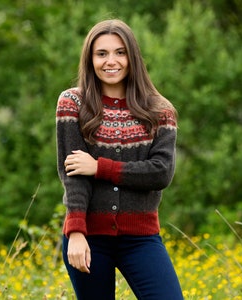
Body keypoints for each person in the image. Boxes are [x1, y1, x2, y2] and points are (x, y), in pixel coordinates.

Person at [56, 19, 183, 300]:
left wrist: (99, 167)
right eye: (101, 54)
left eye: (120, 52)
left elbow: (160, 173)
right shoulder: (72, 103)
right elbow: (72, 175)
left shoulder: (159, 110)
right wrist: (76, 232)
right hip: (88, 236)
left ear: (132, 57)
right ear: (90, 59)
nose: (110, 61)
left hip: (141, 239)